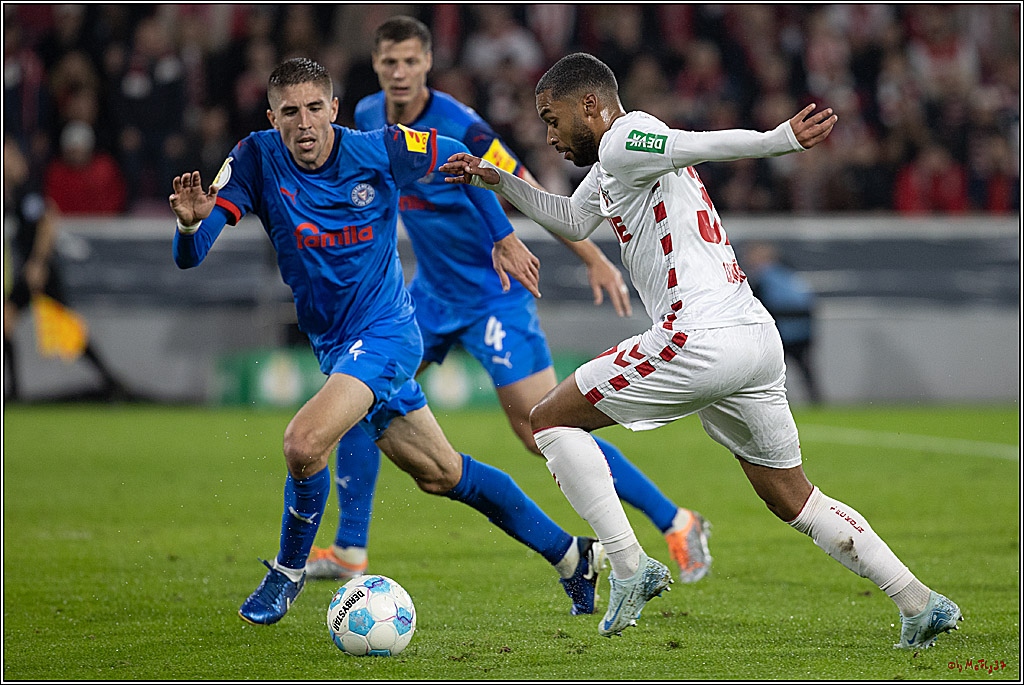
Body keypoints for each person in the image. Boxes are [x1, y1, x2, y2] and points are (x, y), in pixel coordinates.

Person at [441, 52, 962, 647]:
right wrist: (496, 179)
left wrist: (778, 140)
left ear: (589, 104)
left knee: (548, 421)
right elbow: (573, 221)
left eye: (552, 119)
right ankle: (919, 603)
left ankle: (631, 568)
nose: (549, 135)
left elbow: (697, 143)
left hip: (700, 333)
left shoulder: (625, 138)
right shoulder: (615, 165)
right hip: (753, 338)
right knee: (792, 496)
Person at [168, 57, 606, 627]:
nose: (304, 124)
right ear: (271, 115)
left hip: (389, 334)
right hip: (336, 345)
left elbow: (460, 157)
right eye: (290, 112)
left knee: (304, 443)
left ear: (334, 108)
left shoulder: (380, 148)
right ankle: (574, 557)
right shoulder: (255, 158)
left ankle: (288, 571)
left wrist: (501, 236)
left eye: (314, 109)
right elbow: (192, 254)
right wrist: (185, 224)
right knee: (442, 474)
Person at [304, 16, 712, 589]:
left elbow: (519, 184)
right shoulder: (369, 117)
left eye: (410, 62)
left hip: (493, 297)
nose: (398, 73)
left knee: (538, 428)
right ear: (375, 65)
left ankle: (676, 519)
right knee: (357, 391)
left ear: (427, 65)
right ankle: (350, 549)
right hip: (428, 297)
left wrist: (592, 256)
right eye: (388, 62)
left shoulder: (460, 125)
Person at [3, 135, 130, 402]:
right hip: (30, 270)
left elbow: (48, 221)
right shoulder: (14, 192)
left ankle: (108, 380)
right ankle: (14, 391)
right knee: (8, 321)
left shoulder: (28, 189)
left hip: (41, 271)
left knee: (65, 331)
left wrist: (37, 263)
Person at [741, 241, 821, 404]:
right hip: (802, 330)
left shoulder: (765, 278)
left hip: (782, 332)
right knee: (804, 369)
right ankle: (815, 399)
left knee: (769, 370)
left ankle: (772, 401)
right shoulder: (790, 275)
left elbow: (758, 306)